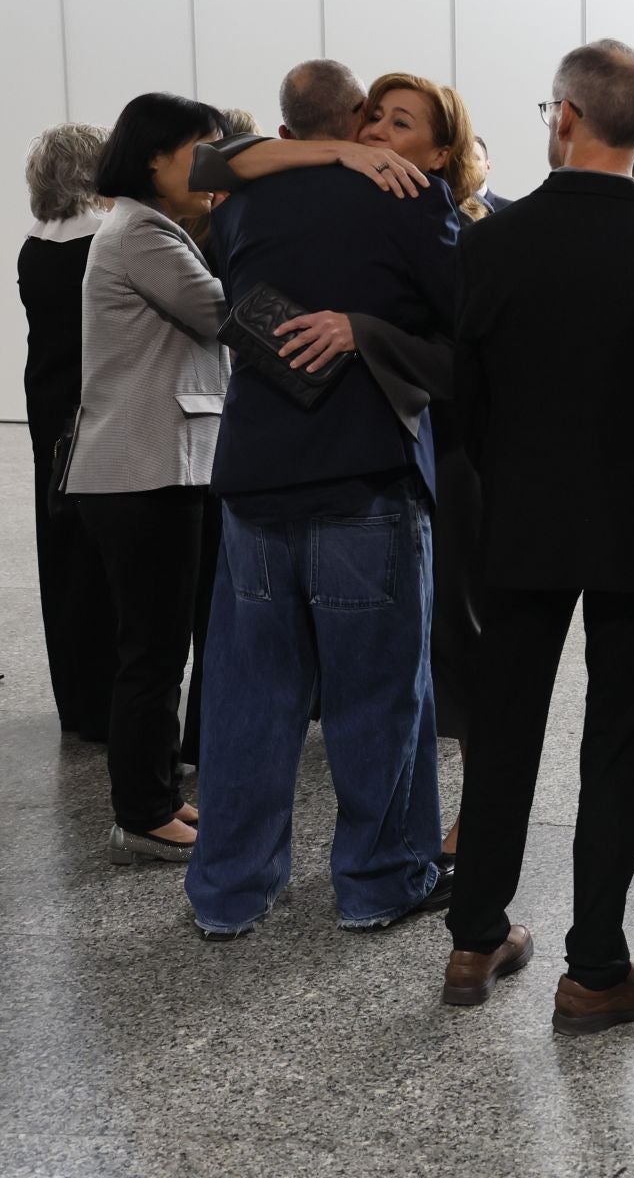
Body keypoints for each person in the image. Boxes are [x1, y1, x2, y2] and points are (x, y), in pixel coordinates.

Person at [441, 40, 634, 1030]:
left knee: (503, 728)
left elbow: (459, 406)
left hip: (517, 523)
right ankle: (594, 966)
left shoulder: (487, 244)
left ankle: (475, 936)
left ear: (562, 117)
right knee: (618, 745)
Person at [182, 59, 460, 940]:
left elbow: (211, 179)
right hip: (360, 476)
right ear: (351, 119)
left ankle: (229, 891)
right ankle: (379, 881)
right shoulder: (408, 196)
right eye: (372, 118)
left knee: (248, 696)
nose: (380, 134)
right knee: (377, 695)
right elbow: (465, 324)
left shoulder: (245, 199)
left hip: (254, 476)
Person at [64, 94, 230, 865]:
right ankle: (140, 812)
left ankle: (155, 793)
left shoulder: (145, 227)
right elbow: (224, 313)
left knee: (159, 645)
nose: (213, 167)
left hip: (151, 466)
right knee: (154, 650)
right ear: (156, 156)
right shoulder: (144, 233)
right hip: (144, 470)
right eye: (202, 150)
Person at [18, 123, 118, 744]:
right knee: (103, 558)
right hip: (96, 406)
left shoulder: (37, 241)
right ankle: (106, 702)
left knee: (61, 551)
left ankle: (77, 702)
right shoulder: (102, 242)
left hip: (47, 404)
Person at [472, 134, 512, 212]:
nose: (469, 163)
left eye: (475, 158)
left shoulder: (509, 209)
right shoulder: (448, 210)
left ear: (488, 166)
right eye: (463, 158)